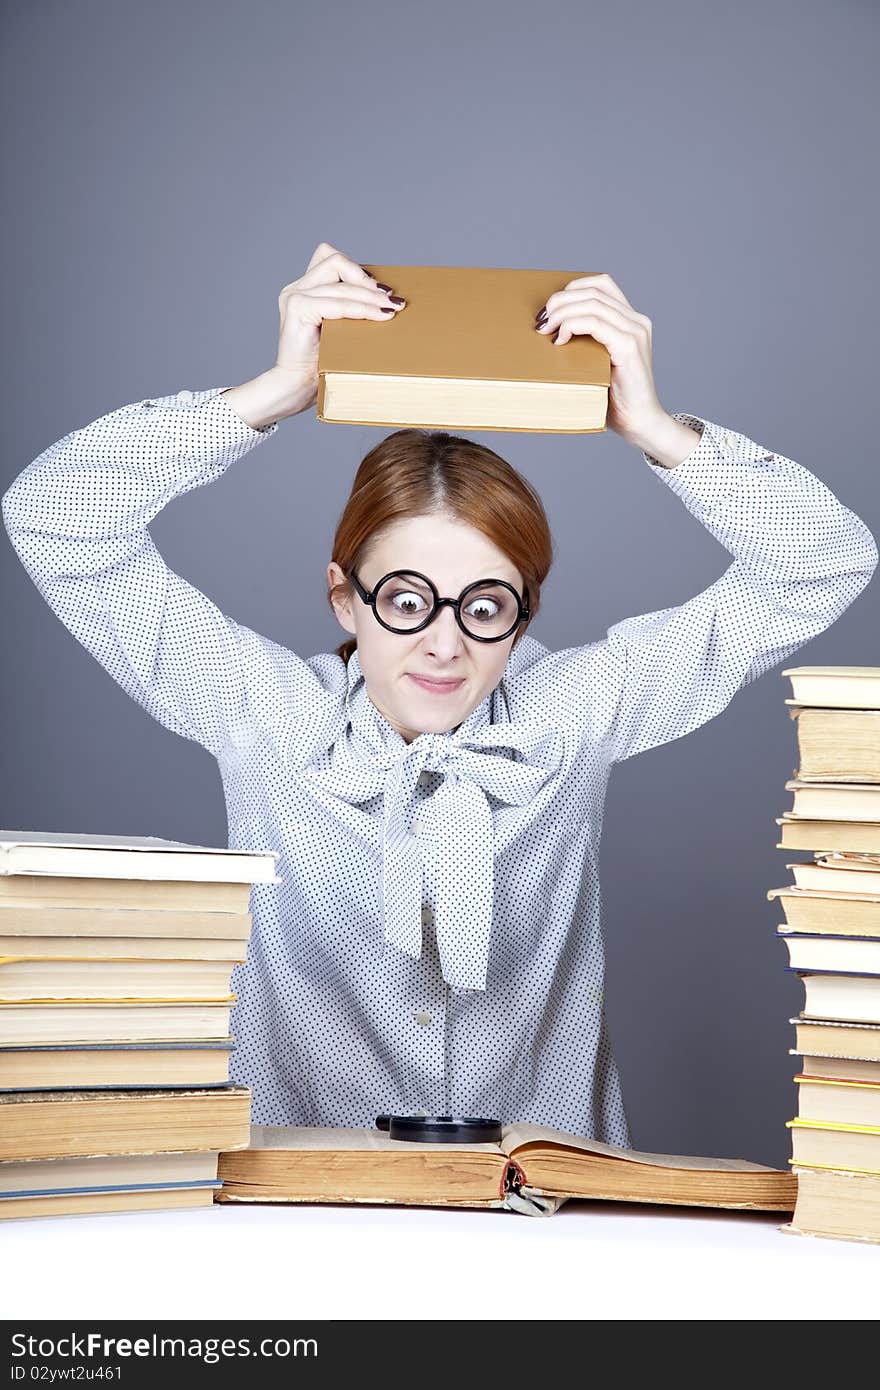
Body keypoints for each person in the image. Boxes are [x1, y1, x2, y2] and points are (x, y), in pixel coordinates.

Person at [3, 241, 876, 1146]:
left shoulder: (569, 714)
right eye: (407, 599)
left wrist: (655, 428)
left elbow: (823, 562)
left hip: (544, 1205)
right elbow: (58, 514)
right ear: (345, 594)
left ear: (526, 615)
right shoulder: (267, 712)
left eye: (487, 605)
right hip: (298, 1201)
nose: (444, 643)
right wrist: (273, 395)